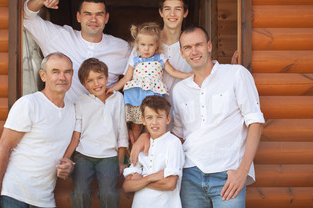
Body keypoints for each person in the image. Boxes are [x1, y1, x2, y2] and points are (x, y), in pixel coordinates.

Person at [132, 26, 265, 208]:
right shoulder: (180, 90)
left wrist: (243, 171)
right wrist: (146, 135)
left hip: (227, 174)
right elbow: (177, 135)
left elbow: (256, 123)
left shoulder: (236, 74)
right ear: (182, 52)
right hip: (190, 176)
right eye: (187, 47)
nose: (194, 51)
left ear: (209, 46)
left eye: (198, 45)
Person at [0, 52, 76, 208]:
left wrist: (69, 166)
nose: (62, 77)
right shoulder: (29, 104)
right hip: (14, 196)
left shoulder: (73, 111)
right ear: (43, 75)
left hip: (45, 200)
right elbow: (3, 149)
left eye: (67, 72)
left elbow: (61, 152)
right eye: (55, 72)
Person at [23, 0, 131, 103]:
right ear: (78, 17)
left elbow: (141, 73)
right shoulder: (58, 36)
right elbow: (26, 18)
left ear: (106, 18)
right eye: (87, 14)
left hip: (104, 117)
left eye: (99, 14)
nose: (93, 19)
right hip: (65, 116)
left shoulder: (122, 48)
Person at [108, 22, 191, 145]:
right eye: (143, 45)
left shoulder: (161, 58)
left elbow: (173, 72)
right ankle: (135, 149)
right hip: (136, 97)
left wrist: (190, 75)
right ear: (137, 45)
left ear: (157, 45)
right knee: (136, 126)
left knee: (152, 125)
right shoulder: (135, 59)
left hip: (153, 98)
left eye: (150, 45)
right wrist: (112, 89)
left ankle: (153, 149)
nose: (146, 48)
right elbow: (126, 78)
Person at [63, 58, 128, 208]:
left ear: (106, 78)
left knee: (109, 193)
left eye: (100, 78)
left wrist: (120, 161)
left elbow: (122, 131)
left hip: (109, 156)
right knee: (80, 193)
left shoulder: (117, 98)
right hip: (84, 155)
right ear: (84, 84)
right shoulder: (80, 102)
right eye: (90, 80)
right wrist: (66, 158)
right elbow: (76, 135)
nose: (96, 83)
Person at [122, 95, 185, 208]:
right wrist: (150, 177)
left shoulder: (173, 143)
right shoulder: (141, 145)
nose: (154, 122)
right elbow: (127, 186)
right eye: (149, 117)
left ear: (168, 119)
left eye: (159, 117)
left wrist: (140, 181)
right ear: (143, 120)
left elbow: (170, 184)